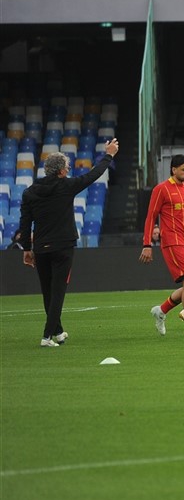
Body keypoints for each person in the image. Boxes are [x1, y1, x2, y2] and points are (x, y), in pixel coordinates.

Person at [18, 139, 118, 347]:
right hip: (63, 247)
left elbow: (25, 223)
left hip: (41, 247)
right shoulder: (66, 186)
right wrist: (108, 155)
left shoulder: (30, 192)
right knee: (58, 292)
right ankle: (46, 336)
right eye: (67, 167)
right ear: (61, 171)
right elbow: (93, 175)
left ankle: (58, 332)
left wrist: (27, 248)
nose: (69, 170)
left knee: (48, 292)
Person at [141, 154, 184, 338]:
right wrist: (147, 244)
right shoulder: (161, 189)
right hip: (173, 242)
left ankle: (161, 310)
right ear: (174, 170)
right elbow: (150, 217)